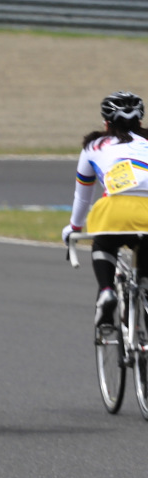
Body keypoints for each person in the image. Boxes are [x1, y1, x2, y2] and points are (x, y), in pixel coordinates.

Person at [62, 91, 148, 327]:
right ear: (140, 121)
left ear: (106, 122)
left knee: (103, 243)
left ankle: (107, 291)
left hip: (114, 211)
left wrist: (74, 227)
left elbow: (83, 196)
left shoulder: (94, 145)